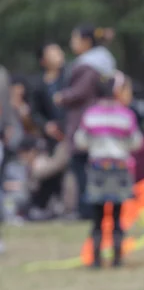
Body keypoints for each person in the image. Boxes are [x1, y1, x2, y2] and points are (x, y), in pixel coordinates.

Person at [74, 72, 142, 268]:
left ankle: (95, 259)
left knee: (97, 216)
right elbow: (135, 142)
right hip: (120, 168)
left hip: (97, 168)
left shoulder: (90, 114)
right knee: (117, 216)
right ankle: (117, 257)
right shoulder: (125, 115)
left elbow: (81, 140)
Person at [55, 25, 116, 219]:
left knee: (81, 167)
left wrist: (62, 97)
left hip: (85, 123)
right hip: (103, 122)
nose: (72, 44)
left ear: (86, 41)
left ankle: (87, 210)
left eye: (75, 39)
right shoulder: (104, 61)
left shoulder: (88, 65)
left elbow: (80, 92)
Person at [32, 42, 66, 151]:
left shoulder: (70, 76)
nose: (59, 54)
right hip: (51, 137)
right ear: (43, 60)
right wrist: (46, 125)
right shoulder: (38, 84)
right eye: (53, 53)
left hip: (71, 131)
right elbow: (35, 112)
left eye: (59, 51)